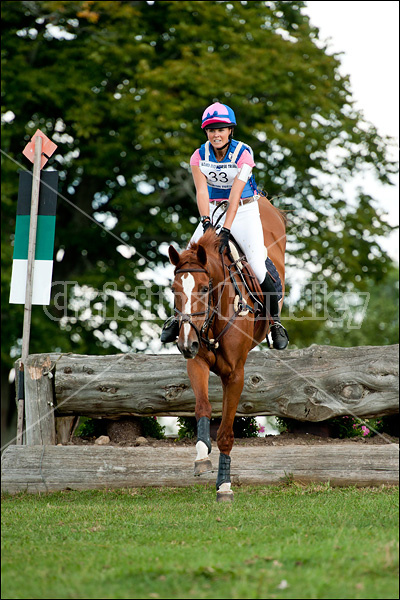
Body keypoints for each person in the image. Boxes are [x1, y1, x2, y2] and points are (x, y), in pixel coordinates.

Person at [161, 102, 289, 350]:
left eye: (221, 129)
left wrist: (227, 229)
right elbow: (201, 191)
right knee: (187, 262)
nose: (216, 134)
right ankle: (178, 319)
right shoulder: (198, 156)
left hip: (244, 208)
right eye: (211, 130)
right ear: (206, 133)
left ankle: (274, 323)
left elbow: (235, 196)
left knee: (257, 265)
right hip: (213, 209)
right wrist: (206, 221)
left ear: (230, 130)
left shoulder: (244, 154)